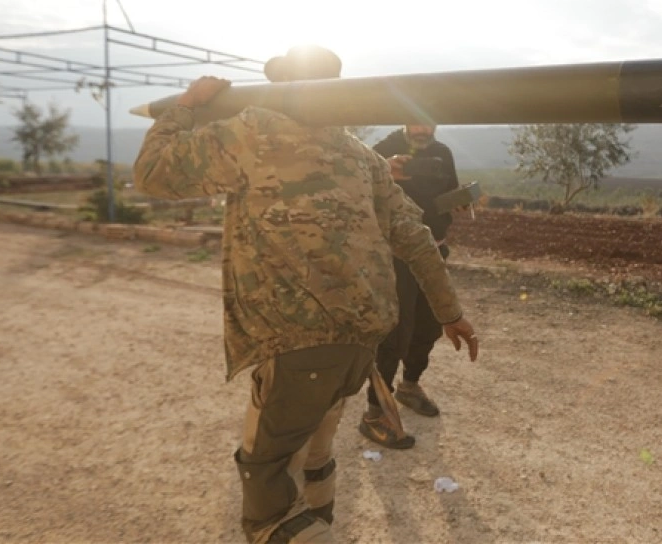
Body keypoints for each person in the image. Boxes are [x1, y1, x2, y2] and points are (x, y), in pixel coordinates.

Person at [132, 45, 480, 544]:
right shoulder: (363, 158)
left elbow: (151, 173)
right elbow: (416, 237)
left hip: (297, 347)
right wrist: (451, 314)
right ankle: (321, 522)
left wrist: (185, 105)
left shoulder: (252, 131)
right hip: (358, 347)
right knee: (315, 457)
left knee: (267, 478)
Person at [357, 124, 462, 449]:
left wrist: (463, 201)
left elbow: (448, 197)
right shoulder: (381, 149)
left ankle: (409, 386)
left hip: (434, 250)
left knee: (428, 327)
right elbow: (357, 192)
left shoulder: (443, 153)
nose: (421, 128)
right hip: (395, 257)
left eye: (426, 122)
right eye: (414, 121)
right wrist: (385, 171)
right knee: (394, 333)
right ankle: (375, 412)